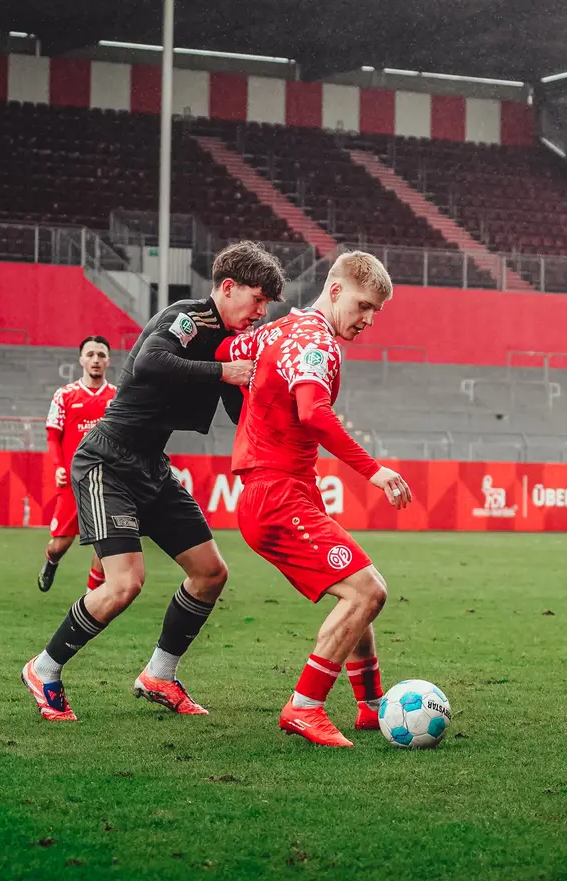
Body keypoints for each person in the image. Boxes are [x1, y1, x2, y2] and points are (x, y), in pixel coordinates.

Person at [20, 241, 284, 723]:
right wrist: (225, 372)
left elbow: (239, 411)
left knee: (210, 574)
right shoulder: (189, 318)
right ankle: (44, 669)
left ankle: (160, 675)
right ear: (229, 288)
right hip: (106, 462)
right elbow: (150, 363)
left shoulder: (228, 343)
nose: (261, 312)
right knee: (125, 584)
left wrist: (281, 406)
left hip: (151, 467)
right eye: (258, 299)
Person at [221, 251, 414, 747]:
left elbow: (225, 351)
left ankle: (371, 706)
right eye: (363, 306)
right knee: (368, 592)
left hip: (282, 491)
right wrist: (375, 471)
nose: (368, 320)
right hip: (277, 494)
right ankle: (304, 707)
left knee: (359, 590)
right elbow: (313, 412)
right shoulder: (315, 340)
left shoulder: (276, 331)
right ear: (335, 290)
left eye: (376, 312)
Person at [38, 336, 118, 593]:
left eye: (101, 355)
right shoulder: (64, 395)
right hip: (74, 480)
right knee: (59, 545)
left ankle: (91, 597)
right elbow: (53, 436)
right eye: (90, 354)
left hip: (107, 481)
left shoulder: (118, 397)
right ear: (81, 359)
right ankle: (51, 561)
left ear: (108, 361)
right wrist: (59, 467)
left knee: (107, 542)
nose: (96, 359)